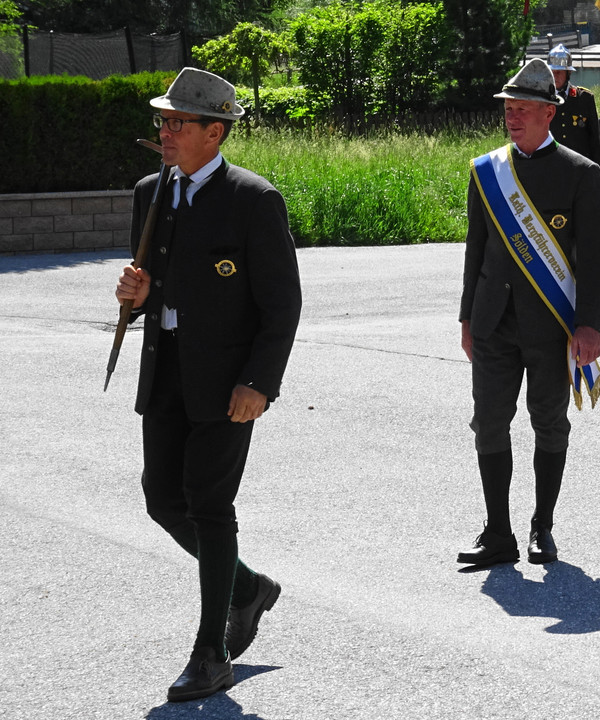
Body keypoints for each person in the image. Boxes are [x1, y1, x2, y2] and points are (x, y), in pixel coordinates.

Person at [113, 67, 302, 703]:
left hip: (229, 385)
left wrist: (260, 382)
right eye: (162, 121)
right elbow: (159, 285)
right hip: (165, 371)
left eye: (177, 123)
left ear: (214, 133)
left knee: (210, 507)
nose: (164, 132)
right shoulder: (151, 191)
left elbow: (281, 306)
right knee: (162, 499)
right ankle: (247, 588)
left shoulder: (253, 199)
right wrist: (137, 298)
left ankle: (211, 653)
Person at [457, 58, 600, 568]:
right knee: (489, 422)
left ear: (550, 112)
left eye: (523, 109)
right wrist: (466, 317)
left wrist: (590, 323)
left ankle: (542, 525)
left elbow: (594, 256)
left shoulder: (581, 173)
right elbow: (475, 247)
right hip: (493, 321)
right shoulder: (487, 170)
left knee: (549, 423)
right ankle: (497, 532)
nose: (513, 117)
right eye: (509, 108)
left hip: (552, 324)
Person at [548, 44, 600, 163]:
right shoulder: (543, 99)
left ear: (568, 73)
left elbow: (594, 139)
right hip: (552, 164)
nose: (555, 76)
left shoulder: (584, 98)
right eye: (552, 72)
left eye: (559, 72)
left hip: (579, 165)